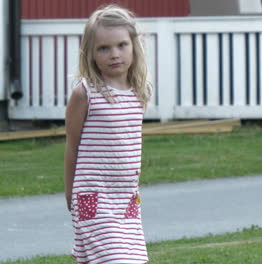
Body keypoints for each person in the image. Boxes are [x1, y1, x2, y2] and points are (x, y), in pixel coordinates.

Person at [64, 4, 151, 264]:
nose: (114, 54)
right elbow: (72, 146)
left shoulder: (140, 91)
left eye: (121, 45)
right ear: (90, 53)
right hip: (94, 196)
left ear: (134, 46)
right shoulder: (85, 93)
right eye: (104, 48)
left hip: (125, 198)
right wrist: (70, 195)